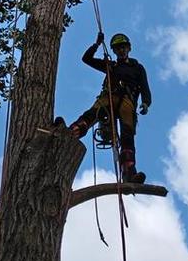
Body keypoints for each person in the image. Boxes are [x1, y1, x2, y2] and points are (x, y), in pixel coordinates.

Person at [65, 31, 151, 184]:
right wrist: (97, 44)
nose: (121, 50)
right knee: (92, 114)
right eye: (118, 48)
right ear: (114, 51)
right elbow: (86, 59)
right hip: (109, 96)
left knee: (127, 135)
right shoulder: (111, 65)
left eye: (123, 47)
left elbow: (144, 86)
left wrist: (146, 102)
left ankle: (129, 172)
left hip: (127, 101)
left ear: (129, 48)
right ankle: (71, 133)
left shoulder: (137, 67)